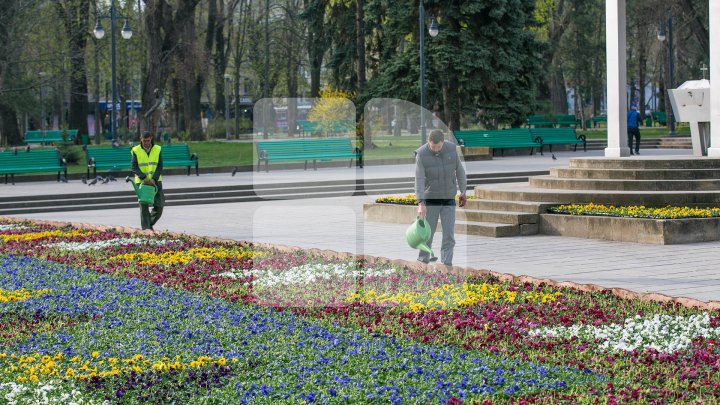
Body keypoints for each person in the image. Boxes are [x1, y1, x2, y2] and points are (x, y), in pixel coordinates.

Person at [414, 129, 467, 266]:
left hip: (448, 198)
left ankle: (447, 264)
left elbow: (460, 171)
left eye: (438, 147)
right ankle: (422, 260)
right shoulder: (421, 154)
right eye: (433, 147)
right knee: (427, 234)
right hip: (431, 199)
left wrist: (463, 191)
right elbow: (418, 179)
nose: (436, 150)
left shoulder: (451, 149)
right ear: (428, 142)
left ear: (443, 142)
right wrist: (420, 202)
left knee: (449, 233)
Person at [131, 131, 164, 231]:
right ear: (140, 139)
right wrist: (143, 178)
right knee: (144, 207)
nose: (146, 143)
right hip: (142, 182)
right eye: (144, 141)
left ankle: (148, 224)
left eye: (148, 140)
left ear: (151, 139)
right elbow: (134, 167)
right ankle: (146, 229)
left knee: (160, 205)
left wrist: (154, 179)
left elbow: (160, 165)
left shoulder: (157, 149)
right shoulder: (135, 150)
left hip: (156, 181)